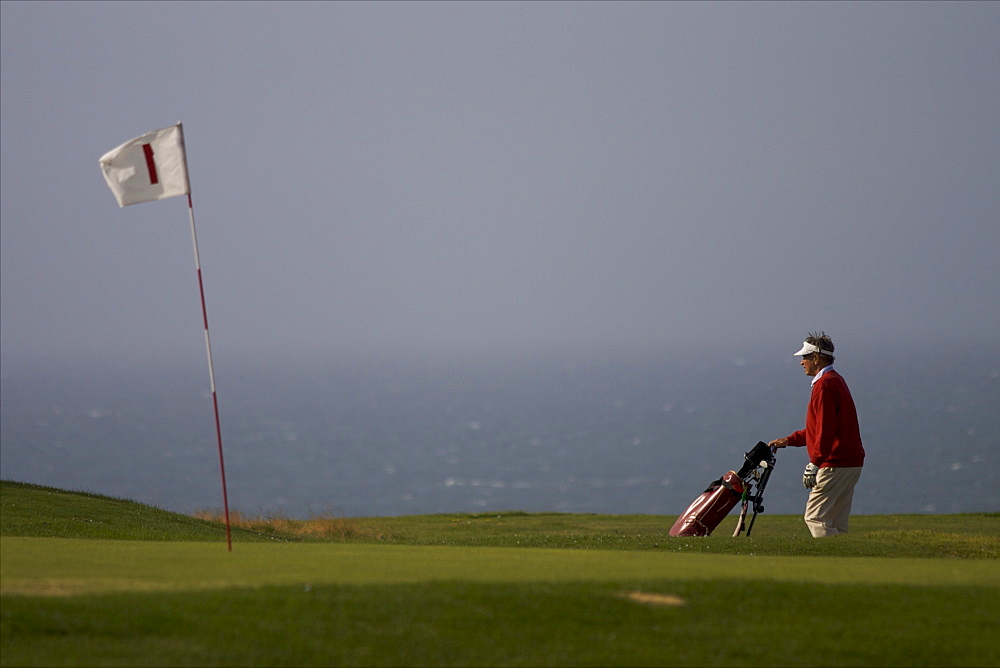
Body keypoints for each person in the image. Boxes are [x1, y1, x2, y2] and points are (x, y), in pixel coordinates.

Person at [769, 332, 865, 537]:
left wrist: (815, 463)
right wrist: (790, 440)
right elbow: (822, 428)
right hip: (851, 462)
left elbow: (825, 430)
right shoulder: (836, 380)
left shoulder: (824, 385)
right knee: (836, 522)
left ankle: (829, 564)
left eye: (805, 357)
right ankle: (844, 564)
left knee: (815, 517)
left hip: (835, 462)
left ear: (816, 358)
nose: (801, 362)